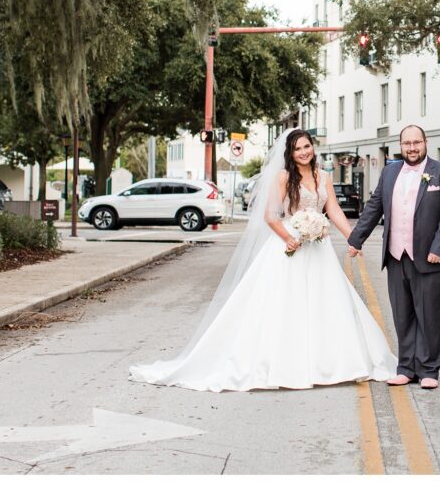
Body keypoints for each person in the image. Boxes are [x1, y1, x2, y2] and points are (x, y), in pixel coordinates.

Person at [129, 128, 396, 392]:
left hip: (318, 247)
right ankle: (287, 364)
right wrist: (288, 237)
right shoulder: (282, 177)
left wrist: (353, 238)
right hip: (289, 242)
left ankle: (332, 363)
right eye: (297, 149)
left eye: (306, 146)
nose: (303, 152)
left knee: (325, 299)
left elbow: (333, 209)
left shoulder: (323, 176)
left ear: (313, 148)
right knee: (285, 303)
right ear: (290, 154)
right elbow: (270, 215)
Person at [347, 125, 440, 390]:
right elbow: (375, 205)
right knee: (402, 315)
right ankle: (406, 367)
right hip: (397, 255)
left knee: (430, 316)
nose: (412, 148)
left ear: (426, 142)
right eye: (407, 143)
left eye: (416, 143)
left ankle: (429, 369)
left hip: (431, 257)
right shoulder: (389, 172)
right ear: (400, 144)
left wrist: (439, 248)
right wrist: (356, 238)